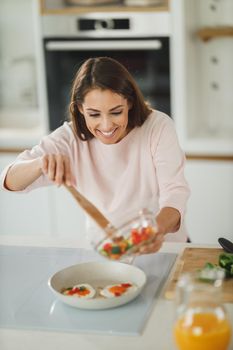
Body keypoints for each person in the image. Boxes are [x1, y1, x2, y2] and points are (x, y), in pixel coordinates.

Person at [0, 57, 190, 253]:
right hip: (107, 253)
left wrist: (154, 232)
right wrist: (41, 163)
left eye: (116, 112)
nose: (106, 125)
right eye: (94, 114)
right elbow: (8, 181)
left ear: (130, 102)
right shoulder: (69, 139)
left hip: (165, 249)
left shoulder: (157, 126)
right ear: (81, 109)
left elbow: (174, 194)